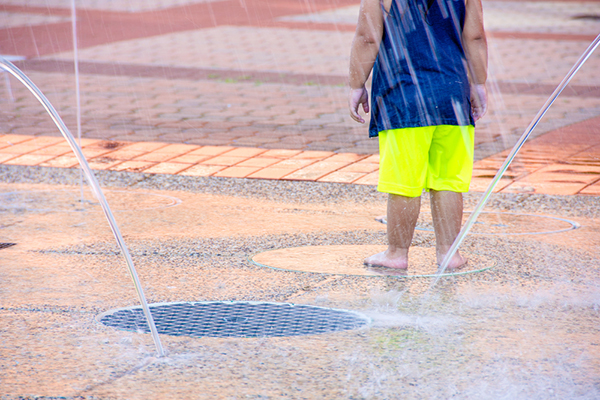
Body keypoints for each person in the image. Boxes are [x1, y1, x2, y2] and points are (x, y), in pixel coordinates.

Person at [348, 0, 488, 270]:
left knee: (404, 180)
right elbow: (475, 35)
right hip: (452, 95)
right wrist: (479, 82)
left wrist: (357, 83)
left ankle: (397, 253)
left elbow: (367, 37)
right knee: (448, 179)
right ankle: (449, 254)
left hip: (403, 95)